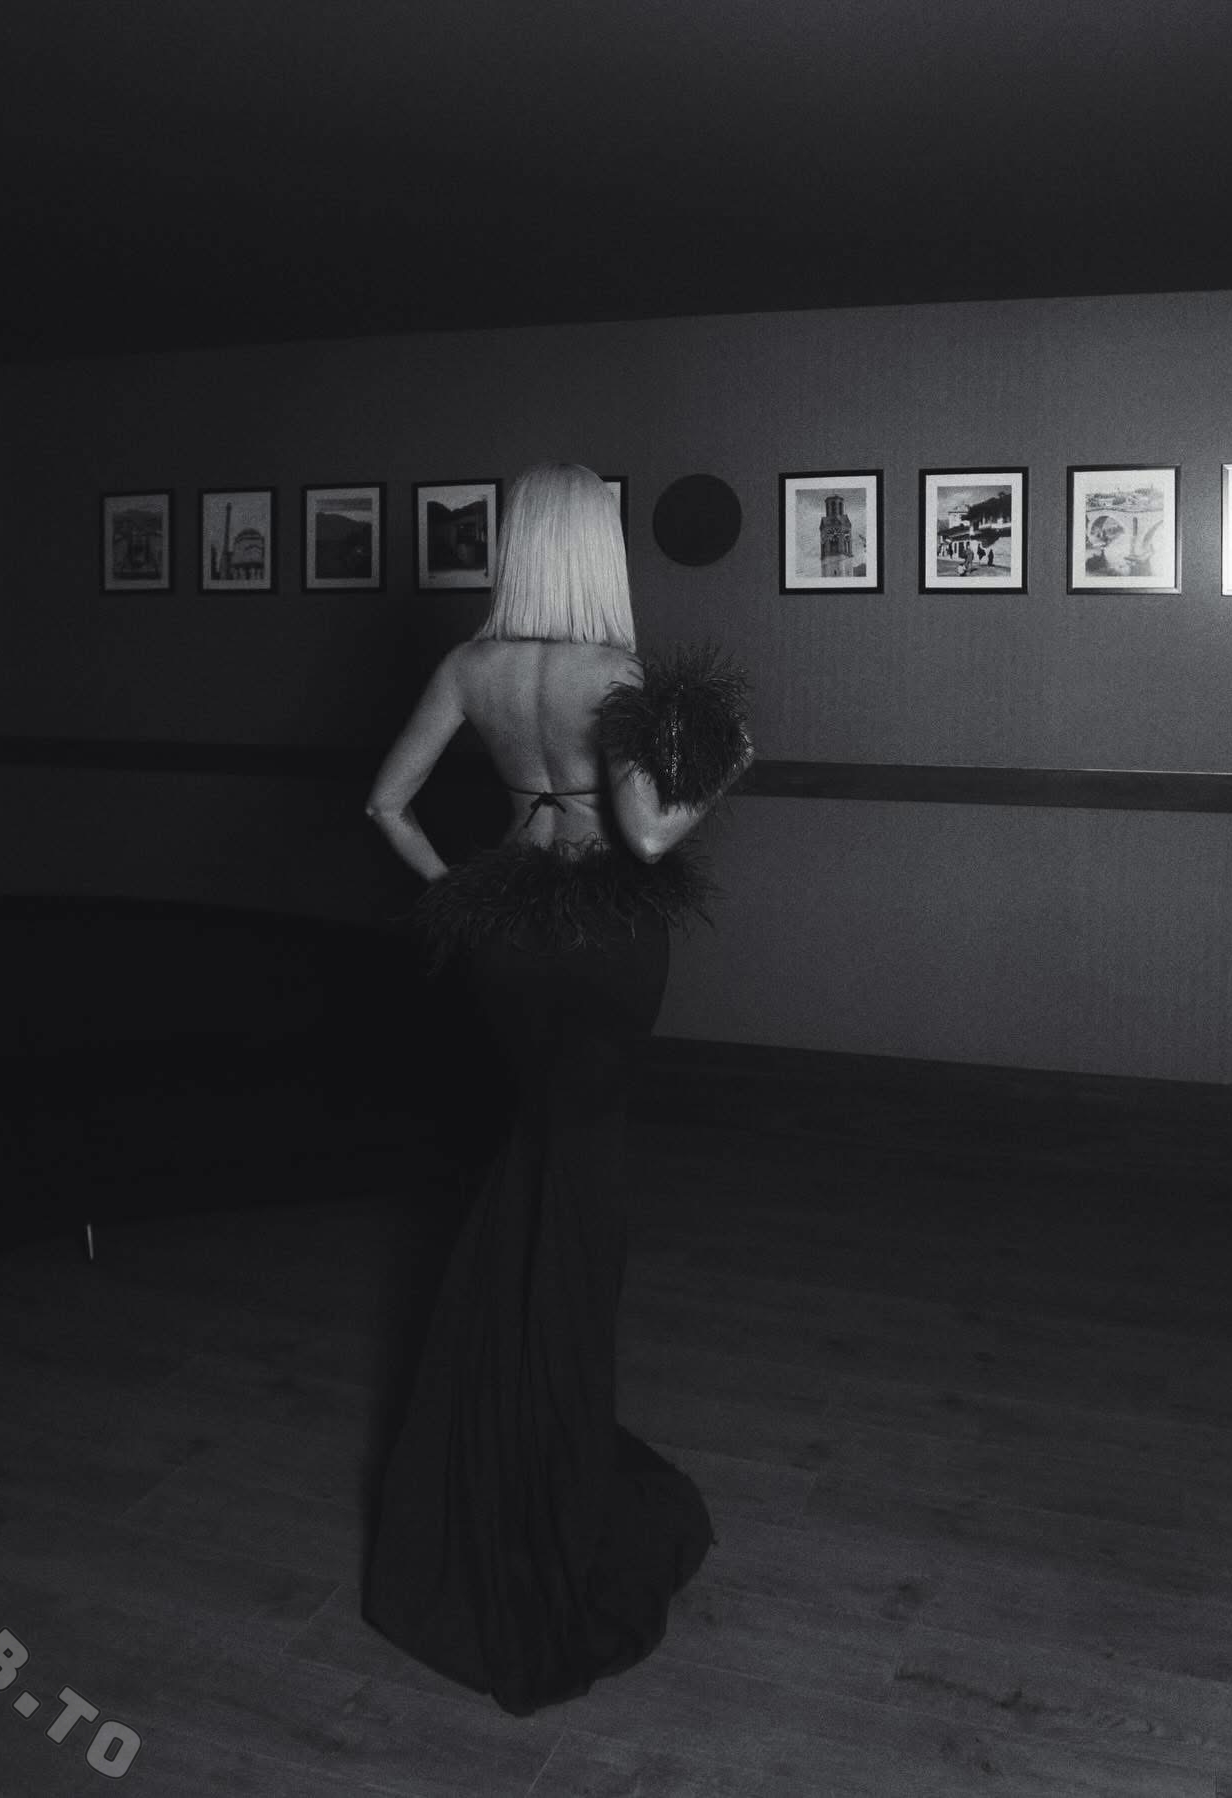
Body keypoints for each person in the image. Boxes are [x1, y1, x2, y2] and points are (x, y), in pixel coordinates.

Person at [359, 460, 753, 1716]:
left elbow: (386, 804)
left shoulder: (474, 666)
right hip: (603, 942)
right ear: (596, 549)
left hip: (507, 942)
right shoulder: (613, 673)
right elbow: (649, 834)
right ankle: (551, 1464)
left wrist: (467, 900)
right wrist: (728, 763)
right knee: (583, 1188)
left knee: (528, 1159)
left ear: (520, 544)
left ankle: (496, 1429)